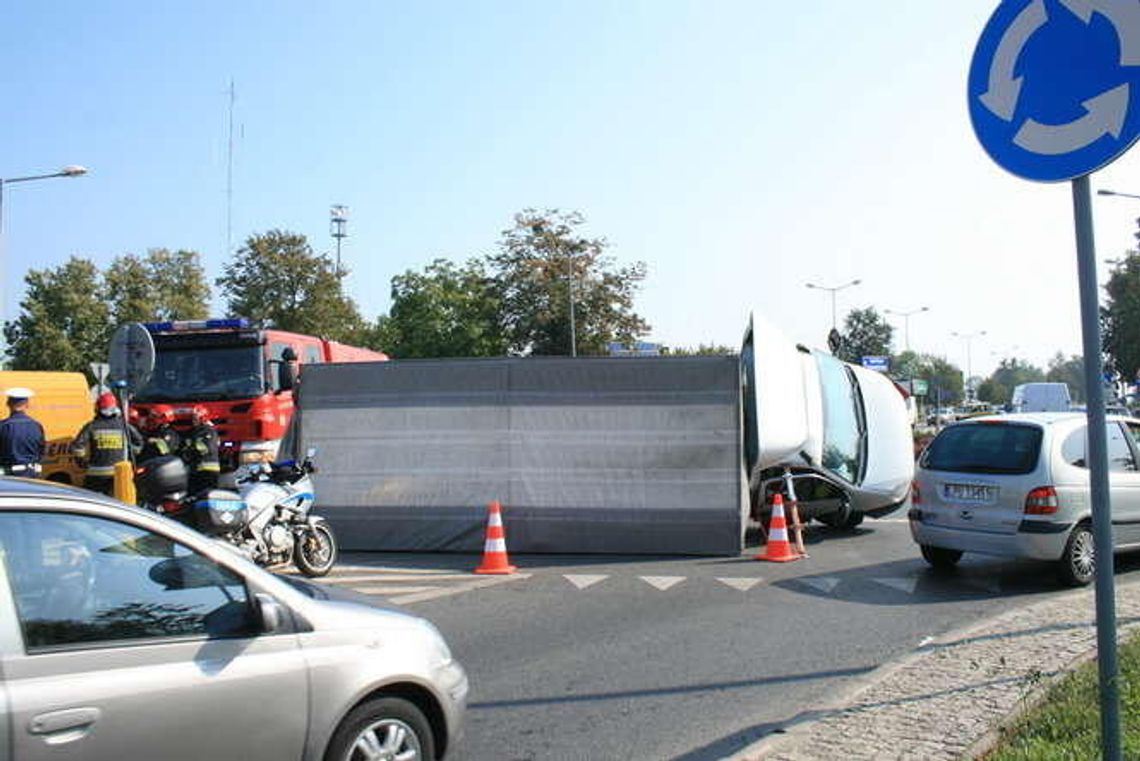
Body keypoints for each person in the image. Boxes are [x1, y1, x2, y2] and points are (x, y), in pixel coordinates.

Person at [71, 392, 142, 496]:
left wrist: (82, 462)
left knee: (90, 502)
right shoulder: (123, 426)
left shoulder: (92, 426)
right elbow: (139, 443)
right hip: (119, 475)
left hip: (95, 475)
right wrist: (129, 456)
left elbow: (78, 448)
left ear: (98, 408)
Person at [0, 387, 45, 477]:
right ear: (27, 405)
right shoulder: (36, 426)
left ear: (8, 404)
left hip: (9, 475)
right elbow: (41, 450)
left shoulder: (3, 426)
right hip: (31, 474)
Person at [182, 404, 220, 494]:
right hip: (195, 469)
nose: (193, 421)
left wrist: (191, 446)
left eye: (196, 418)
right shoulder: (194, 431)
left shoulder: (209, 431)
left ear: (203, 418)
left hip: (209, 471)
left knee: (207, 494)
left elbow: (206, 448)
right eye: (193, 418)